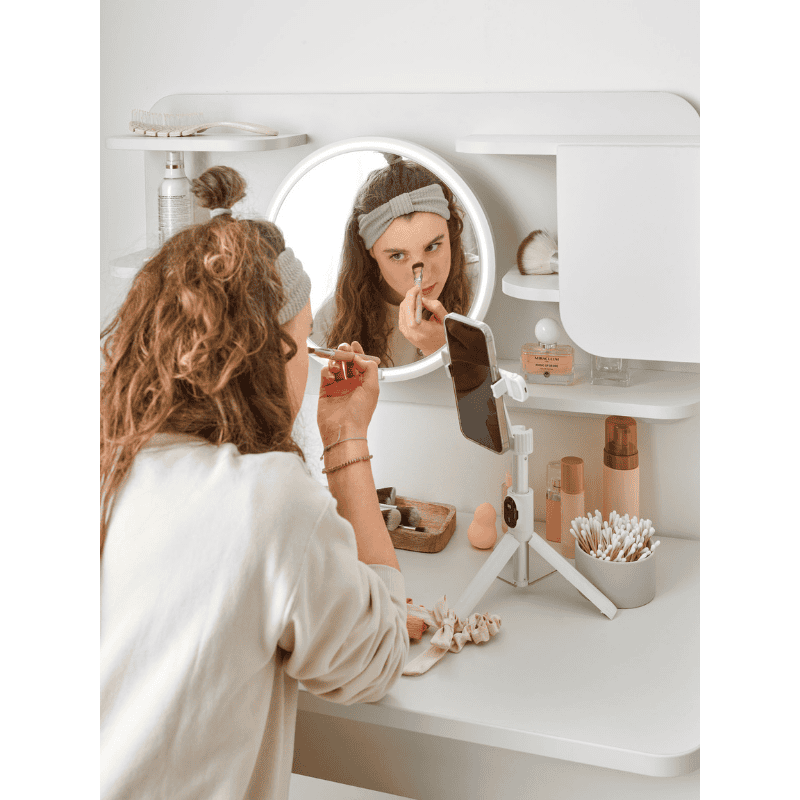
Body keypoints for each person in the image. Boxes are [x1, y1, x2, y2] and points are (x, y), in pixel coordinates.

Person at [100, 165, 409, 800]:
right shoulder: (267, 499)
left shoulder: (102, 458)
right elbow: (376, 658)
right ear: (268, 360)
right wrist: (346, 440)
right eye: (302, 343)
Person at [313, 155, 477, 367]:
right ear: (370, 252)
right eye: (397, 256)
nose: (423, 275)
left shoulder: (483, 285)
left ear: (451, 232)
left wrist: (445, 349)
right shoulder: (335, 316)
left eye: (432, 247)